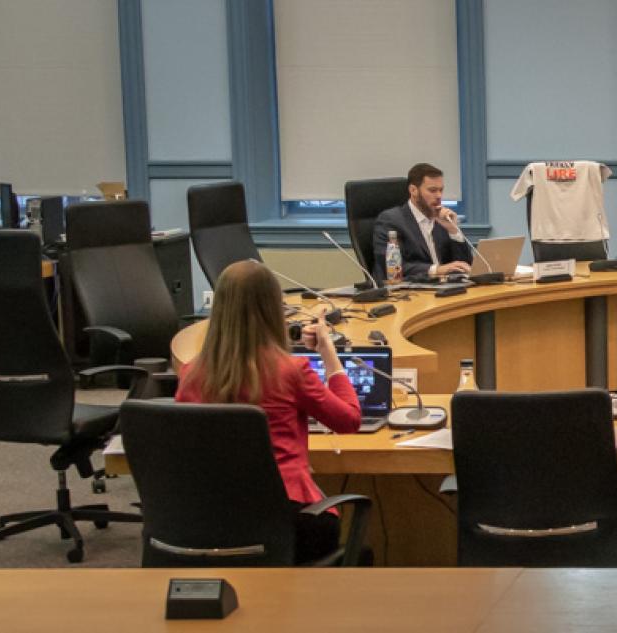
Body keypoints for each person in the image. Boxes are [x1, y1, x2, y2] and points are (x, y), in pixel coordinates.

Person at [175, 260, 362, 564]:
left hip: (214, 517)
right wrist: (330, 354)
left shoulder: (191, 373)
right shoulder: (291, 370)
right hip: (289, 517)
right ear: (273, 309)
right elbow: (350, 419)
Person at [373, 163, 473, 281]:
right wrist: (436, 270)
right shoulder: (391, 221)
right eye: (432, 190)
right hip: (413, 292)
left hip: (445, 289)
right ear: (413, 190)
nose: (439, 196)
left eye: (441, 190)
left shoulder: (442, 220)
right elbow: (393, 267)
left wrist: (453, 231)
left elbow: (465, 265)